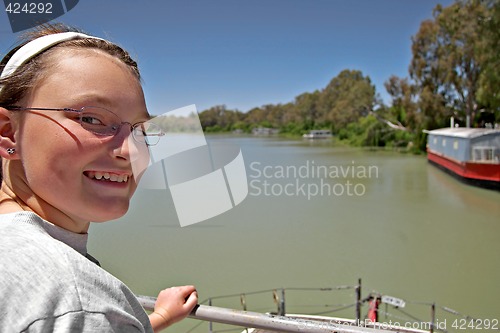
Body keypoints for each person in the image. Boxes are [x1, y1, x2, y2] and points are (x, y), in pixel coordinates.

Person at [0, 23, 197, 332]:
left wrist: (155, 320)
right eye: (91, 118)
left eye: (139, 130)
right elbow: (79, 312)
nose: (130, 151)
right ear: (8, 132)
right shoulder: (74, 299)